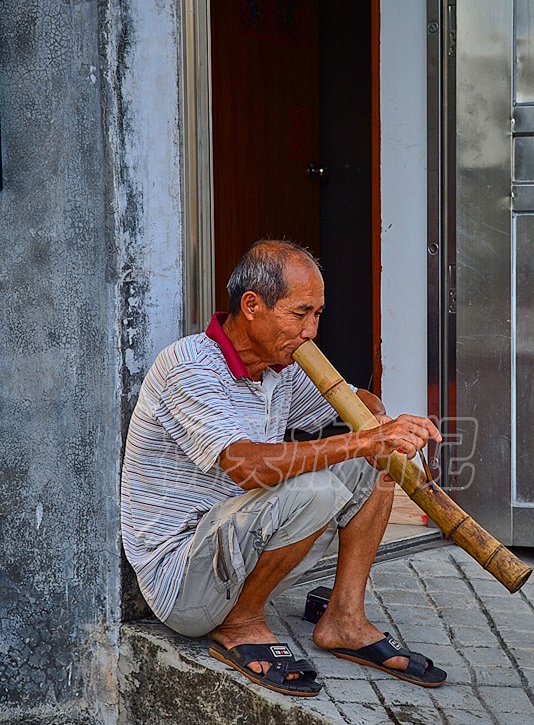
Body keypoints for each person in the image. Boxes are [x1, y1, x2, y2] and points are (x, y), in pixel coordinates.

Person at [120, 239, 445, 696]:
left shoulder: (281, 368)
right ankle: (241, 624)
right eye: (300, 313)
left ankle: (345, 617)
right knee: (317, 487)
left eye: (317, 315)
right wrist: (366, 437)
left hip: (240, 555)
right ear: (252, 305)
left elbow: (355, 403)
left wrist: (378, 424)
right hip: (184, 585)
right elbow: (248, 468)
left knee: (370, 465)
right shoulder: (188, 366)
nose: (311, 330)